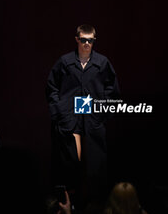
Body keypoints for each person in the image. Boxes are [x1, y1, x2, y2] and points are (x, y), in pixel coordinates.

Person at [46, 24, 120, 204]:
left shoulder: (102, 63)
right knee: (69, 163)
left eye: (91, 40)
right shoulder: (65, 62)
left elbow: (113, 89)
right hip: (69, 119)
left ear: (94, 41)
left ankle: (94, 205)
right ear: (77, 39)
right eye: (84, 40)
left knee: (95, 164)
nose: (87, 43)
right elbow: (51, 87)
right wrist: (60, 111)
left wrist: (102, 113)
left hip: (92, 119)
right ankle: (69, 204)